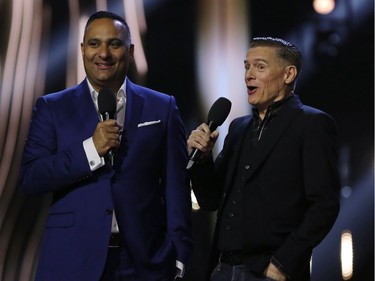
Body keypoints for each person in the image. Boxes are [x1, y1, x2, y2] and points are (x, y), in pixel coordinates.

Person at [20, 11, 192, 281]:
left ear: (131, 50)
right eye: (94, 44)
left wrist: (179, 253)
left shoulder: (162, 106)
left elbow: (176, 186)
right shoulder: (52, 107)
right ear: (82, 50)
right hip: (71, 259)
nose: (103, 53)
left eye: (114, 44)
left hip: (144, 261)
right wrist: (90, 150)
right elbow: (31, 177)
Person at [187, 37, 340, 281]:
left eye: (260, 67)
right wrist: (203, 161)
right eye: (246, 66)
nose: (249, 75)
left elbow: (325, 205)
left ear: (288, 74)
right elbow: (210, 200)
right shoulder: (239, 128)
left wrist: (282, 264)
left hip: (270, 271)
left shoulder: (312, 124)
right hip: (222, 268)